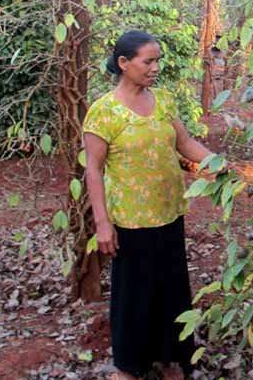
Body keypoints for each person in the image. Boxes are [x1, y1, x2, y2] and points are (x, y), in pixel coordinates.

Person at [83, 30, 213, 380]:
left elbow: (185, 143)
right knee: (134, 296)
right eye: (148, 61)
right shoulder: (103, 112)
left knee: (171, 291)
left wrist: (216, 163)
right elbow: (93, 170)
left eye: (158, 61)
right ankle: (128, 366)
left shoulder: (164, 101)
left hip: (169, 214)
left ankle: (169, 359)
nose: (155, 68)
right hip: (130, 222)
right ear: (124, 63)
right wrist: (102, 223)